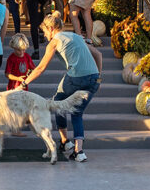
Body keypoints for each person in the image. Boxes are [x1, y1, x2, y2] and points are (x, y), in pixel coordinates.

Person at [21, 12, 102, 163]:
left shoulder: (55, 42)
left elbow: (40, 68)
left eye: (44, 31)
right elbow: (98, 55)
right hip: (93, 79)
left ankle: (65, 142)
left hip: (76, 78)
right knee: (76, 112)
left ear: (51, 28)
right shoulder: (77, 36)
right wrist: (98, 77)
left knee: (58, 103)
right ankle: (79, 151)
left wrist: (24, 83)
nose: (45, 35)